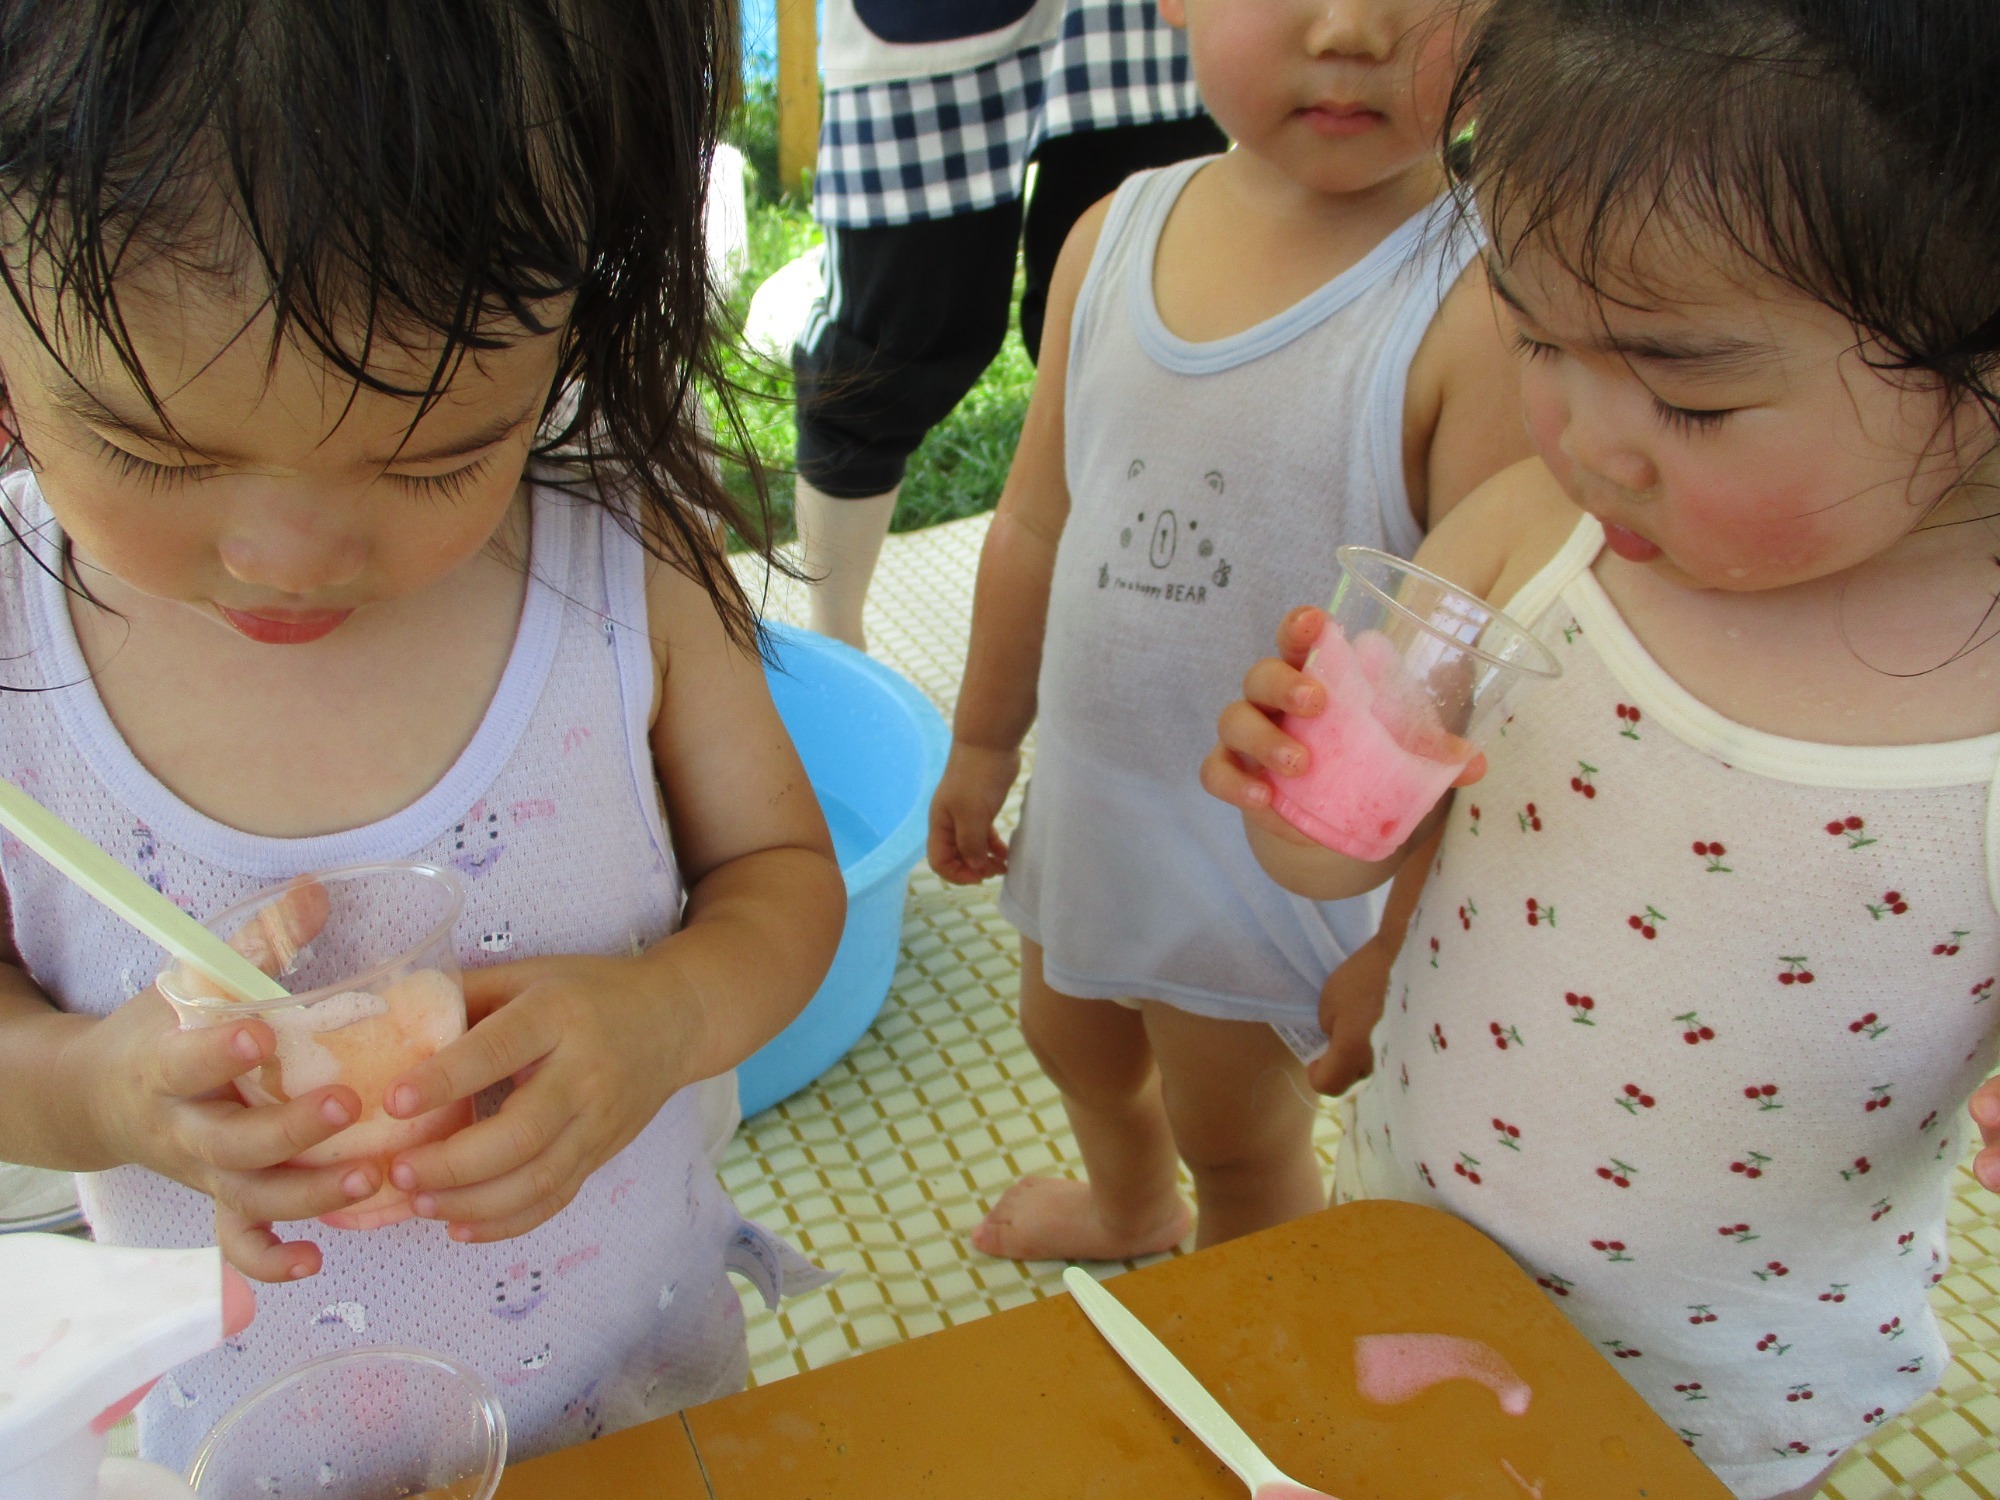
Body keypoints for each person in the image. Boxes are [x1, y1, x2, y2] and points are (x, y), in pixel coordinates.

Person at [0, 0, 846, 1468]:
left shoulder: (615, 562)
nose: (286, 557)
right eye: (150, 448)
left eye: (437, 455)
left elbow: (782, 873)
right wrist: (108, 1094)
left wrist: (667, 1020)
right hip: (242, 1440)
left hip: (632, 1405)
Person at [1205, 3, 2000, 1494]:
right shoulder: (1528, 536)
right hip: (1421, 1229)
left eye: (1689, 398)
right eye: (1534, 335)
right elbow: (1335, 840)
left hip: (1735, 1372)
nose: (1581, 433)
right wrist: (1293, 782)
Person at [930, 0, 1530, 1263]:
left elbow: (1471, 673)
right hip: (1094, 794)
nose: (1350, 28)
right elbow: (1035, 522)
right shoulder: (1109, 235)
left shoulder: (1477, 301)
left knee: (1239, 1138)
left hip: (1264, 863)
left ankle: (1246, 1334)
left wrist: (1410, 940)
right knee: (1068, 1036)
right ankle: (1132, 1208)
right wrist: (984, 742)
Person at [793, 0, 1227, 649]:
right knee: (895, 332)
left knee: (1137, 314)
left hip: (1141, 25)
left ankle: (1119, 631)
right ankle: (834, 643)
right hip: (932, 32)